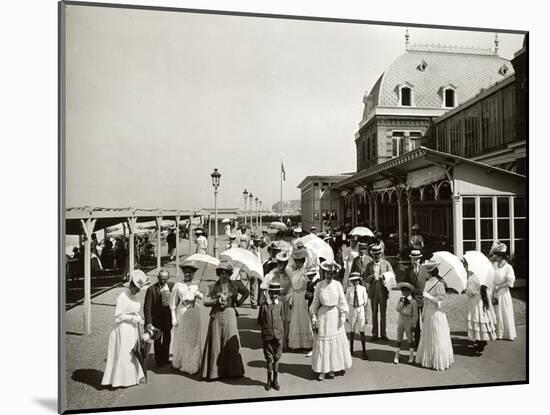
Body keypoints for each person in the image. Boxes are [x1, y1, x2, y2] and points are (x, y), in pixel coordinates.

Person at [201, 261, 249, 380]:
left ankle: (233, 371)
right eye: (221, 273)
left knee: (231, 342)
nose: (224, 275)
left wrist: (238, 302)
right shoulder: (212, 286)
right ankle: (215, 372)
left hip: (230, 314)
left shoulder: (235, 284)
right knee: (216, 343)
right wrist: (216, 300)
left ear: (230, 274)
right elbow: (205, 301)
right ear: (218, 273)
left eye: (226, 273)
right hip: (216, 315)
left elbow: (246, 292)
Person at [101, 270, 149, 387]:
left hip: (132, 330)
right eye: (137, 288)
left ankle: (132, 378)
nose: (138, 291)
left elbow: (134, 310)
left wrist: (139, 317)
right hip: (123, 329)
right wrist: (132, 318)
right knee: (124, 353)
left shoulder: (134, 297)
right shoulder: (122, 297)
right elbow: (118, 317)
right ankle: (121, 380)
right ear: (131, 285)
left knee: (133, 353)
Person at [310, 260, 352, 380]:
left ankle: (332, 368)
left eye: (331, 273)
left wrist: (343, 314)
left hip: (334, 315)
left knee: (334, 341)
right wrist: (313, 316)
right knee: (323, 342)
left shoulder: (337, 285)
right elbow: (315, 302)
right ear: (324, 273)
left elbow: (342, 300)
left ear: (334, 274)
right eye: (327, 273)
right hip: (323, 315)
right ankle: (323, 369)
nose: (329, 275)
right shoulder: (319, 285)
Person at [415, 260, 454, 371]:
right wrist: (425, 301)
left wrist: (429, 297)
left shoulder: (439, 284)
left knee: (436, 335)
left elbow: (441, 302)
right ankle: (429, 360)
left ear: (430, 272)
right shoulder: (428, 283)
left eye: (427, 272)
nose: (426, 274)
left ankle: (438, 361)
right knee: (429, 335)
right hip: (428, 312)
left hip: (436, 314)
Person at [170, 261, 204, 374]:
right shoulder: (178, 285)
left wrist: (199, 295)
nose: (187, 274)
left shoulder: (196, 284)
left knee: (193, 339)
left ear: (193, 273)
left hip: (194, 313)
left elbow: (202, 296)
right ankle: (182, 362)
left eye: (190, 272)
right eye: (186, 272)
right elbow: (173, 303)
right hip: (182, 312)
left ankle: (193, 364)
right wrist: (173, 318)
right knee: (183, 337)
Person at [463, 258, 497, 353]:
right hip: (483, 300)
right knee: (483, 319)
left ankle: (480, 342)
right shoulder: (483, 276)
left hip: (475, 301)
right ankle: (483, 339)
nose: (465, 268)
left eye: (466, 266)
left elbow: (470, 292)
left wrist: (466, 291)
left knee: (477, 319)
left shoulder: (471, 278)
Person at [257, 282, 286, 391]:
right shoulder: (264, 306)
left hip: (278, 335)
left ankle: (275, 380)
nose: (274, 296)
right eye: (272, 293)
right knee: (269, 359)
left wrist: (282, 334)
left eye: (276, 293)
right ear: (268, 293)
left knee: (277, 358)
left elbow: (282, 319)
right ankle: (269, 380)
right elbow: (260, 320)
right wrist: (266, 330)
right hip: (267, 335)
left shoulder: (280, 304)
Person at [261, 252, 292, 351]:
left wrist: (290, 295)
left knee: (286, 321)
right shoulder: (273, 273)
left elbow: (293, 285)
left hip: (286, 300)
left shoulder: (289, 273)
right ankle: (278, 343)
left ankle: (285, 343)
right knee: (277, 322)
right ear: (277, 263)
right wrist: (269, 298)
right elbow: (263, 286)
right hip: (277, 300)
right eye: (280, 264)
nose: (282, 266)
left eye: (284, 264)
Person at [144, 268, 174, 367]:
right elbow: (147, 306)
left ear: (168, 278)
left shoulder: (171, 287)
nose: (163, 281)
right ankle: (159, 360)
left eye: (165, 278)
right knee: (157, 338)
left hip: (167, 318)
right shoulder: (151, 289)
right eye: (161, 278)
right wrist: (148, 321)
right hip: (157, 319)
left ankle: (165, 358)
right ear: (158, 278)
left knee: (167, 338)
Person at [364, 244, 394, 341]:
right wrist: (371, 277)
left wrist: (384, 276)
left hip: (383, 289)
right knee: (374, 313)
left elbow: (392, 275)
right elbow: (365, 278)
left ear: (381, 254)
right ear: (372, 255)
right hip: (373, 290)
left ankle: (383, 333)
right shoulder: (369, 265)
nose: (376, 256)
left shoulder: (386, 263)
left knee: (383, 313)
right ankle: (374, 333)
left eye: (378, 254)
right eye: (374, 254)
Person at [288, 248, 314, 350]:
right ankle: (296, 344)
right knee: (295, 319)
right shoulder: (293, 273)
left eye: (300, 262)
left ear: (303, 262)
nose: (298, 264)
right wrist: (291, 299)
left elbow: (309, 285)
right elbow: (292, 287)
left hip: (303, 298)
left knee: (304, 319)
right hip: (295, 297)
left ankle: (306, 343)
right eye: (297, 262)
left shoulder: (306, 273)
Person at [490, 241, 517, 340]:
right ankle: (497, 333)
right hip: (494, 292)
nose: (495, 258)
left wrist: (499, 286)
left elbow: (510, 282)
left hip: (503, 293)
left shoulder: (508, 268)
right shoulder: (494, 265)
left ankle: (507, 334)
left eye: (496, 256)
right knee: (496, 312)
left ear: (501, 256)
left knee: (504, 312)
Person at [406, 249, 428, 350]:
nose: (414, 261)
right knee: (415, 323)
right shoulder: (407, 270)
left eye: (416, 259)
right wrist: (408, 298)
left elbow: (428, 282)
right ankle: (418, 343)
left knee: (426, 321)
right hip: (413, 300)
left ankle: (426, 341)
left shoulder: (425, 270)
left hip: (423, 299)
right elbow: (405, 287)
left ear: (420, 259)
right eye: (413, 259)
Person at [393, 282, 418, 364]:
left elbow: (415, 314)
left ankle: (411, 355)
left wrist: (414, 324)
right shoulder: (401, 300)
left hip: (409, 320)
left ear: (409, 292)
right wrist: (402, 302)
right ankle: (397, 355)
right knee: (399, 338)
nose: (403, 292)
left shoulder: (413, 302)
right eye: (402, 291)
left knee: (410, 338)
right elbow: (397, 309)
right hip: (401, 319)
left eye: (405, 291)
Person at [345, 272, 368, 360]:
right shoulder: (349, 289)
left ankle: (364, 351)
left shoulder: (362, 289)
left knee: (362, 330)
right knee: (352, 330)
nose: (355, 282)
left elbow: (365, 302)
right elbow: (346, 301)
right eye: (354, 281)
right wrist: (347, 315)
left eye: (357, 280)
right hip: (352, 309)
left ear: (359, 280)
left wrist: (365, 315)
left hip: (360, 308)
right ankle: (351, 350)